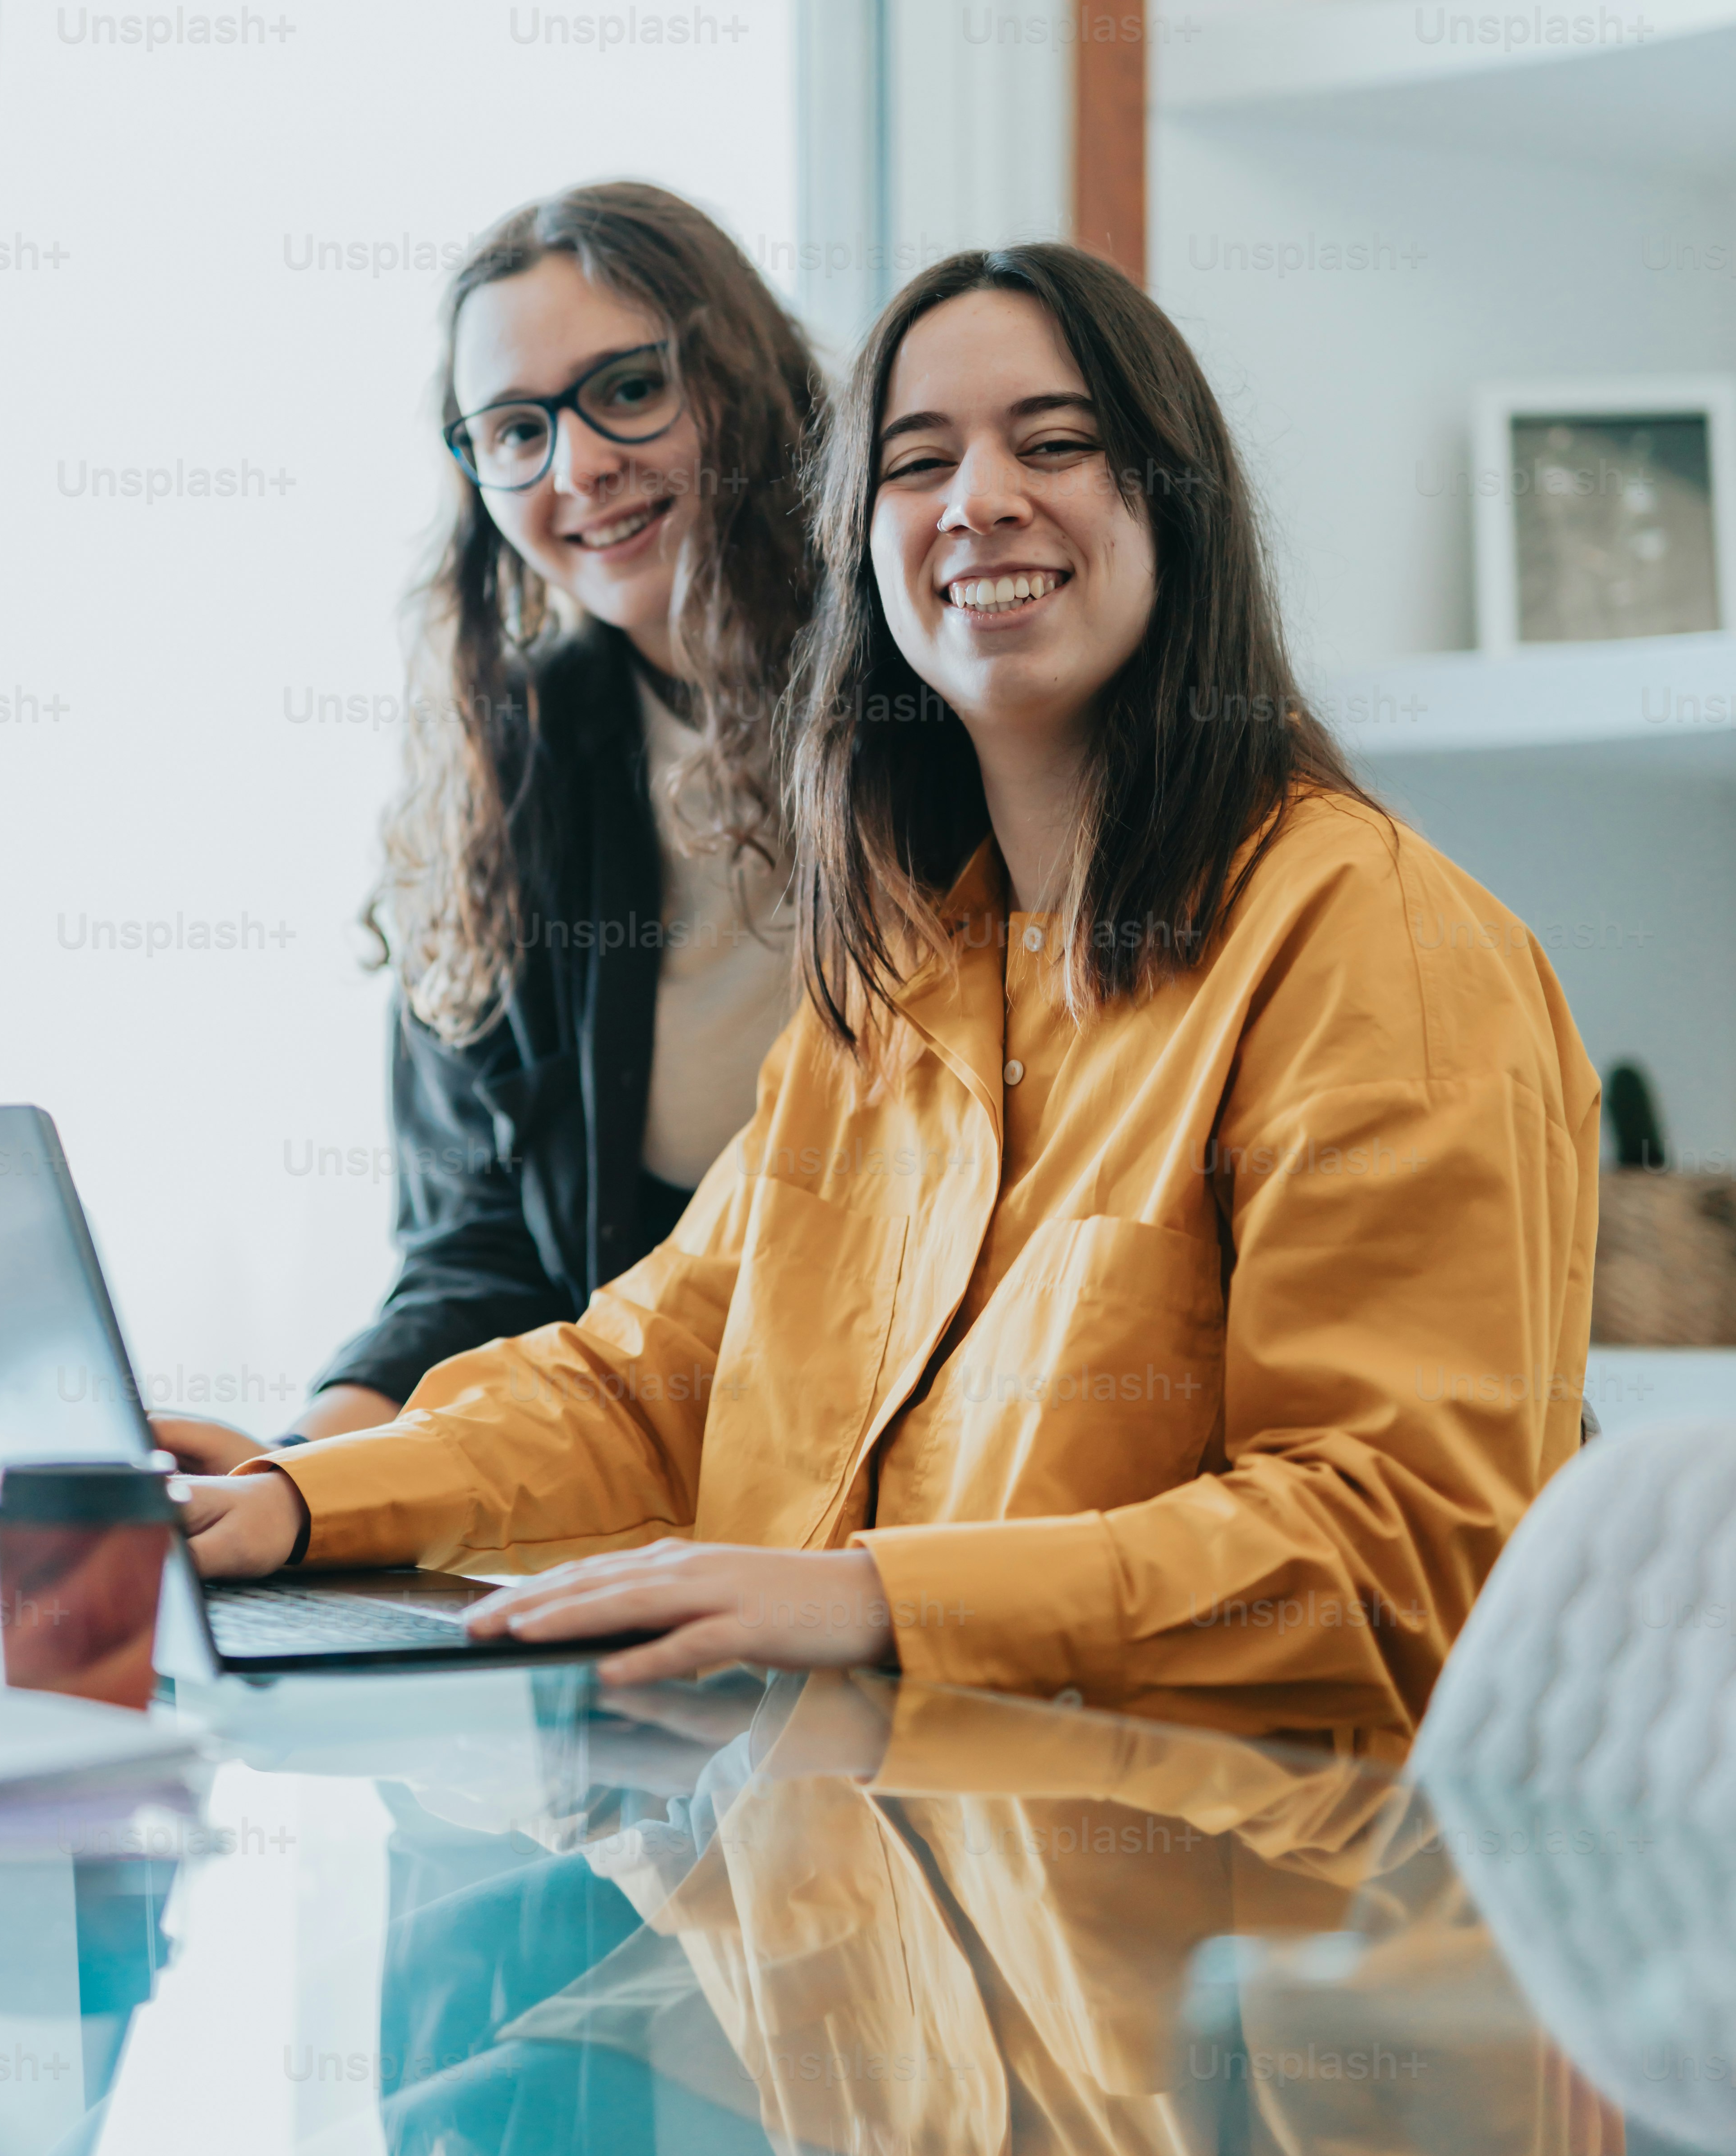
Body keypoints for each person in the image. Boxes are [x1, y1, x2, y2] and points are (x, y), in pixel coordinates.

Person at [179, 243, 1600, 1756]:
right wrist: (292, 1501)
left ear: (1175, 506)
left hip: (1214, 1936)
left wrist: (869, 1598)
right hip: (863, 1902)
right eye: (917, 464)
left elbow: (1399, 1561)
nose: (979, 499)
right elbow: (650, 1374)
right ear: (863, 547)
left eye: (1053, 443)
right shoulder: (897, 985)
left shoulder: (1376, 943)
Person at [158, 183, 821, 1471]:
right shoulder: (512, 773)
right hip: (649, 1491)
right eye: (515, 430)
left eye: (629, 391)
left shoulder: (939, 703)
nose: (577, 469)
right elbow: (481, 1254)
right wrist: (295, 1474)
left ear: (741, 381)